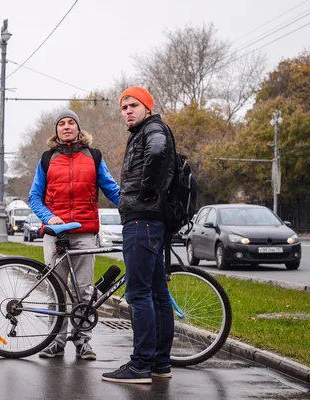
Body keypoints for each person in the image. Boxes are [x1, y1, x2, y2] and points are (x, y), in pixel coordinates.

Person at [28, 109, 121, 361]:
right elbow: (34, 197)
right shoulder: (47, 159)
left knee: (83, 291)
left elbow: (112, 189)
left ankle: (82, 342)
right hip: (56, 233)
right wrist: (49, 217)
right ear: (56, 130)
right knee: (55, 289)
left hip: (84, 230)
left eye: (71, 123)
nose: (66, 127)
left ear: (79, 129)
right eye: (61, 124)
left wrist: (133, 205)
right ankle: (55, 342)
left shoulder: (93, 156)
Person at [101, 87, 175, 384]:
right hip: (148, 221)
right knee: (158, 294)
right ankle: (160, 364)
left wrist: (145, 190)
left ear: (147, 107)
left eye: (134, 105)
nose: (128, 111)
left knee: (138, 294)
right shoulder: (144, 131)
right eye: (124, 107)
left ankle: (140, 365)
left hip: (142, 221)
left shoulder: (152, 129)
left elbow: (157, 153)